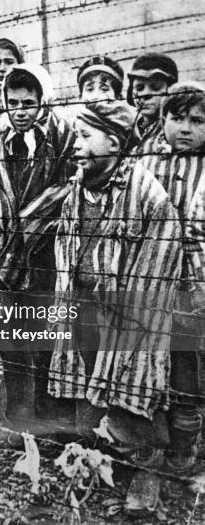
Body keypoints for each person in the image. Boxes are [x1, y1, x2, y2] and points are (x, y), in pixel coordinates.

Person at [48, 100, 182, 514]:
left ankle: (148, 470)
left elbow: (159, 265)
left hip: (129, 315)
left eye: (86, 136)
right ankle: (94, 461)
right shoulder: (77, 188)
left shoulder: (146, 193)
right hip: (82, 306)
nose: (77, 144)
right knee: (86, 390)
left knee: (132, 389)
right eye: (76, 135)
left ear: (115, 141)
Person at [0, 63, 73, 427]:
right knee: (10, 334)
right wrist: (11, 227)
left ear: (43, 101)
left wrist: (30, 221)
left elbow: (68, 187)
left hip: (45, 255)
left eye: (29, 101)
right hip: (3, 256)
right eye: (13, 102)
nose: (20, 110)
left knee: (44, 332)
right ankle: (17, 410)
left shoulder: (61, 140)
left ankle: (46, 403)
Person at [140, 82, 205, 480]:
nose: (185, 128)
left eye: (197, 121)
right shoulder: (147, 162)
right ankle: (147, 452)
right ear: (162, 119)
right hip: (151, 284)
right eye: (176, 117)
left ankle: (184, 449)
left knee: (187, 372)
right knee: (147, 368)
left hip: (193, 288)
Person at [126, 52, 178, 147]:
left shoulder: (177, 133)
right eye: (139, 88)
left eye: (156, 87)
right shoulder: (127, 131)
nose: (145, 94)